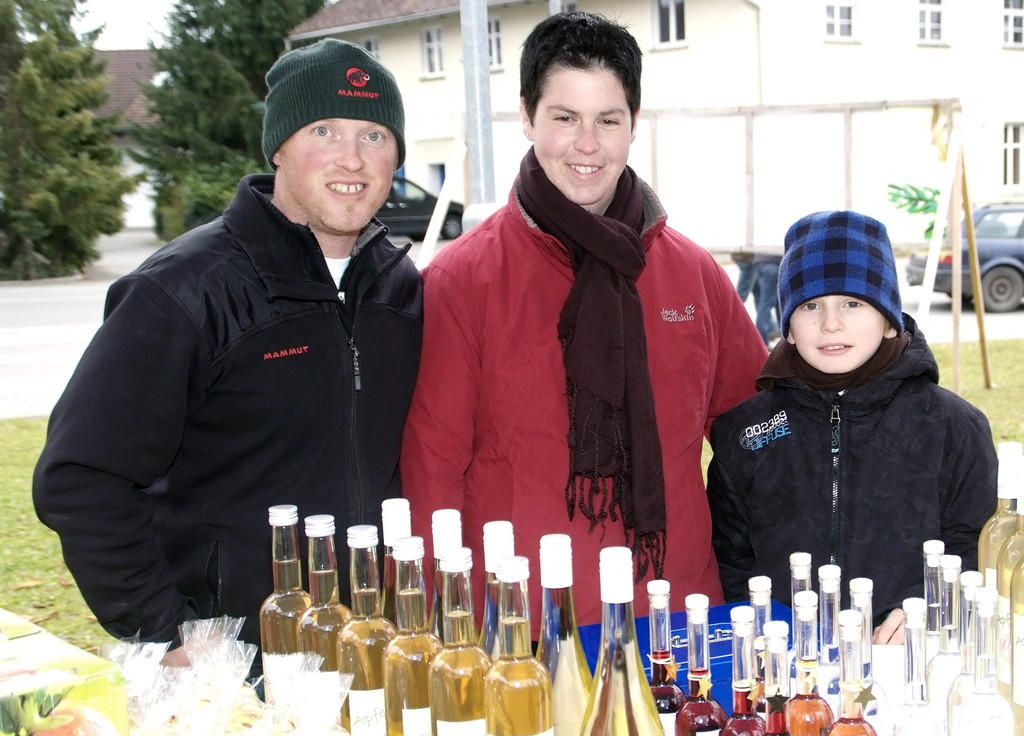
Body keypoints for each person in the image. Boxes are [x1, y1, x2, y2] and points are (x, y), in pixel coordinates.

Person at [33, 39, 423, 670]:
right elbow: (81, 475)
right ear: (278, 147)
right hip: (236, 667)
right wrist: (166, 633)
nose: (352, 158)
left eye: (374, 135)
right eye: (324, 130)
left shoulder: (399, 289)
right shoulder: (183, 290)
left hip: (374, 650)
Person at [399, 12, 768, 633]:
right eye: (565, 118)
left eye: (608, 120)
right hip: (526, 629)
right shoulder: (463, 280)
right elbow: (431, 471)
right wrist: (444, 625)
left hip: (676, 616)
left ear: (634, 124)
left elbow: (762, 433)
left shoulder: (693, 275)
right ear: (527, 117)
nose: (587, 144)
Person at [707, 210, 996, 644]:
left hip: (906, 655)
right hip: (784, 658)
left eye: (853, 303)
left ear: (889, 320)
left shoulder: (954, 427)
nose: (830, 324)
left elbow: (973, 544)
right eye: (810, 306)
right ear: (788, 327)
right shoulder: (745, 433)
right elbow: (730, 558)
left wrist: (928, 608)